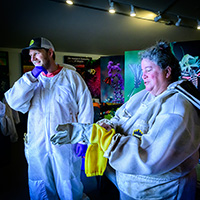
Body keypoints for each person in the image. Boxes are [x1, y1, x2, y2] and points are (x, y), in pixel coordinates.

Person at [50, 41, 200, 200]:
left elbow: (148, 157)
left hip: (158, 193)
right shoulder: (143, 95)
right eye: (142, 70)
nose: (143, 75)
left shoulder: (177, 108)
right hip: (130, 187)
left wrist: (97, 135)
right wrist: (99, 129)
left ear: (167, 71)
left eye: (148, 70)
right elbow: (118, 119)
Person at [4, 37, 94, 200]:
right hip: (38, 144)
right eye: (30, 56)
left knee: (69, 183)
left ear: (50, 53)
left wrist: (83, 139)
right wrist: (31, 77)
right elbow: (13, 101)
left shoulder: (71, 78)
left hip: (65, 144)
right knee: (41, 187)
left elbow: (86, 108)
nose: (33, 59)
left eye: (37, 53)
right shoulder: (31, 81)